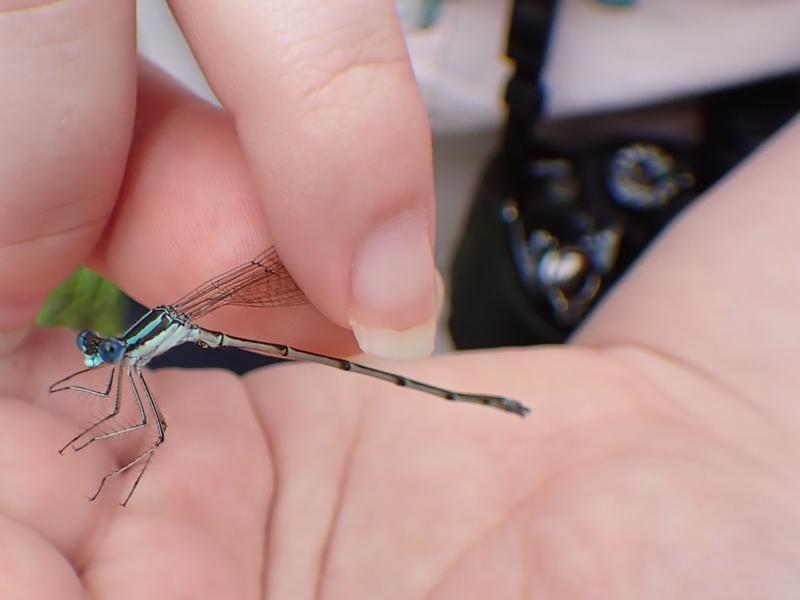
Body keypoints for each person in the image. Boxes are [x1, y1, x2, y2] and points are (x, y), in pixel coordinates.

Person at [1, 2, 799, 597]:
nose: (102, 355)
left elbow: (138, 415)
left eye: (102, 352)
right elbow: (135, 408)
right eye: (100, 354)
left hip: (722, 133)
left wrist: (733, 408)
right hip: (273, 146)